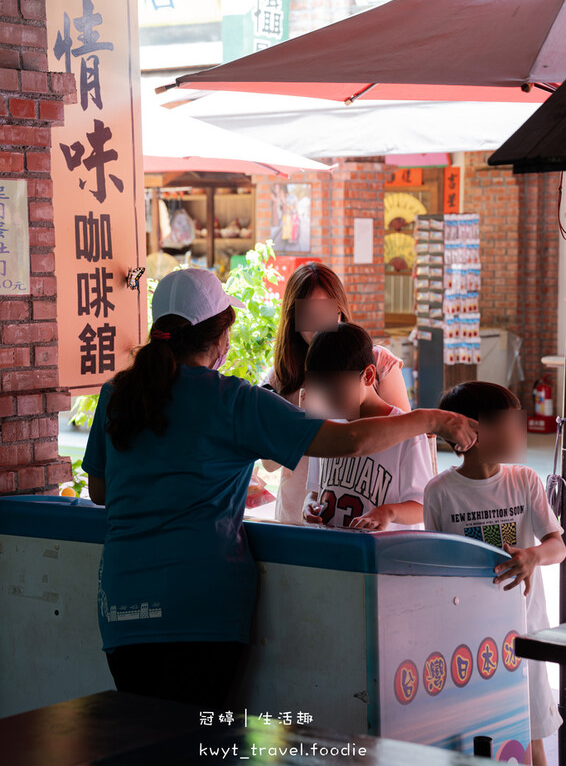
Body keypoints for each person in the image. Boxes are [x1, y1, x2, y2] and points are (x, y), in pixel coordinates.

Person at [83, 268, 477, 710]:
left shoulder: (117, 392)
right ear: (220, 337)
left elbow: (100, 490)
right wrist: (435, 420)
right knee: (192, 744)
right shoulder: (232, 400)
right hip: (200, 610)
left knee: (140, 740)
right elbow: (347, 439)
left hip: (121, 608)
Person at [423, 381, 565, 766]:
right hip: (470, 637)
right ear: (471, 431)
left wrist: (533, 556)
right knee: (480, 732)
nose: (519, 430)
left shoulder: (524, 481)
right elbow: (436, 568)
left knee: (533, 736)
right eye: (508, 422)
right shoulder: (439, 492)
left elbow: (558, 545)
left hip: (525, 632)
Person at [262, 262, 412, 525]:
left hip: (369, 517)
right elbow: (269, 463)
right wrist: (307, 418)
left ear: (340, 310)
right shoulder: (281, 377)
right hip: (299, 515)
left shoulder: (376, 363)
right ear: (293, 318)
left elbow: (407, 435)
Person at [302, 323, 433, 530]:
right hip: (335, 552)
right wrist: (309, 504)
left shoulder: (405, 433)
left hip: (385, 556)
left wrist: (388, 512)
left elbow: (424, 507)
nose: (328, 399)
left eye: (336, 389)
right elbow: (316, 491)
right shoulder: (324, 425)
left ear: (368, 376)